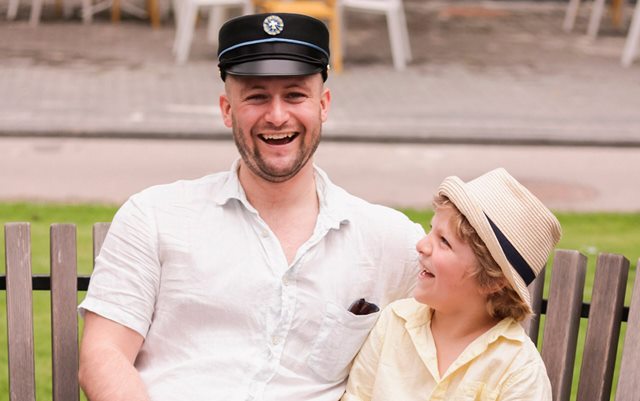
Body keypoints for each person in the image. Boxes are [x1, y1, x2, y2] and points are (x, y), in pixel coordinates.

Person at [77, 12, 424, 401]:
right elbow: (103, 355)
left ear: (323, 105)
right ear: (227, 110)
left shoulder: (390, 240)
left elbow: (475, 327)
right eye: (257, 96)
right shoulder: (155, 215)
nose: (277, 116)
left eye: (295, 95)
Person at [341, 168, 561, 401]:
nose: (422, 245)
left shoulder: (517, 372)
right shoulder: (394, 322)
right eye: (431, 231)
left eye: (444, 241)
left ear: (493, 280)